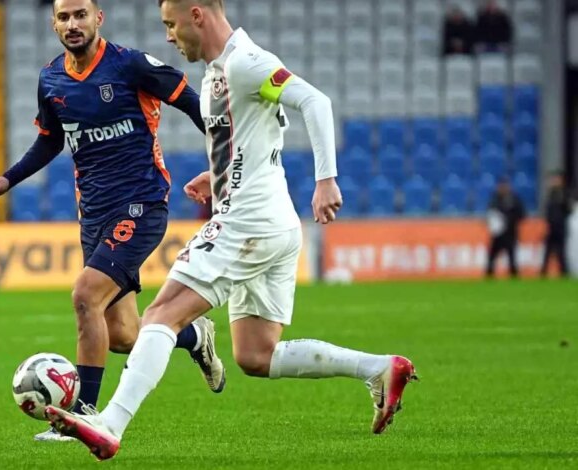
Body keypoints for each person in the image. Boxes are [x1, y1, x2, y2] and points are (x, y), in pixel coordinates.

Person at [46, 0, 418, 460]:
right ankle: (378, 368)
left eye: (171, 24)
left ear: (196, 15)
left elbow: (315, 101)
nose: (168, 36)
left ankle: (109, 424)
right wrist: (217, 173)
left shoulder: (245, 62)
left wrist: (326, 179)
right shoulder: (217, 74)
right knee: (256, 355)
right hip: (274, 222)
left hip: (247, 222)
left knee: (161, 315)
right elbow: (256, 137)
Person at [0, 0, 225, 442]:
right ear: (54, 24)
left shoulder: (131, 65)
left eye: (80, 14)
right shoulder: (51, 79)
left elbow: (198, 106)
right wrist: (8, 179)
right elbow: (50, 140)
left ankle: (82, 415)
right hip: (94, 214)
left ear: (98, 18)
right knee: (122, 334)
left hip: (141, 204)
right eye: (64, 17)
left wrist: (225, 165)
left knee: (85, 295)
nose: (73, 23)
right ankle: (192, 337)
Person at [486, 178, 525, 278]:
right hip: (498, 234)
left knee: (512, 257)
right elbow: (490, 213)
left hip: (510, 233)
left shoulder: (514, 199)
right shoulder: (494, 198)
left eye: (504, 186)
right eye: (500, 186)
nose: (502, 188)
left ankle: (514, 276)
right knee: (492, 256)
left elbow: (522, 214)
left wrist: (510, 220)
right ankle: (489, 276)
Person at [541, 173, 571, 277]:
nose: (554, 182)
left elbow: (568, 210)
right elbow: (547, 211)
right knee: (547, 251)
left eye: (557, 179)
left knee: (561, 252)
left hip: (560, 227)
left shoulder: (565, 194)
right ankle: (543, 272)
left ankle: (564, 272)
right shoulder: (550, 194)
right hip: (551, 227)